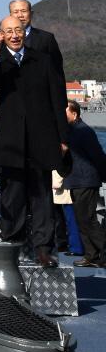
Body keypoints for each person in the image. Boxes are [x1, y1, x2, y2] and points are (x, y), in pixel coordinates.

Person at [0, 16, 68, 267]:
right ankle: (13, 243)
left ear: (25, 32)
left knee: (42, 196)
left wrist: (63, 138)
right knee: (12, 196)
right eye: (8, 31)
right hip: (10, 139)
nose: (14, 35)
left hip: (41, 139)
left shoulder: (43, 60)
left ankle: (44, 248)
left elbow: (58, 100)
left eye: (18, 30)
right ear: (1, 34)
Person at [64, 101, 106, 268]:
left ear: (75, 114)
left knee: (88, 220)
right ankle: (91, 255)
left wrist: (103, 174)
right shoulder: (71, 131)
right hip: (76, 180)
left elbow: (97, 154)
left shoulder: (84, 131)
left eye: (65, 110)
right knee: (81, 220)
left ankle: (102, 253)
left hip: (86, 180)